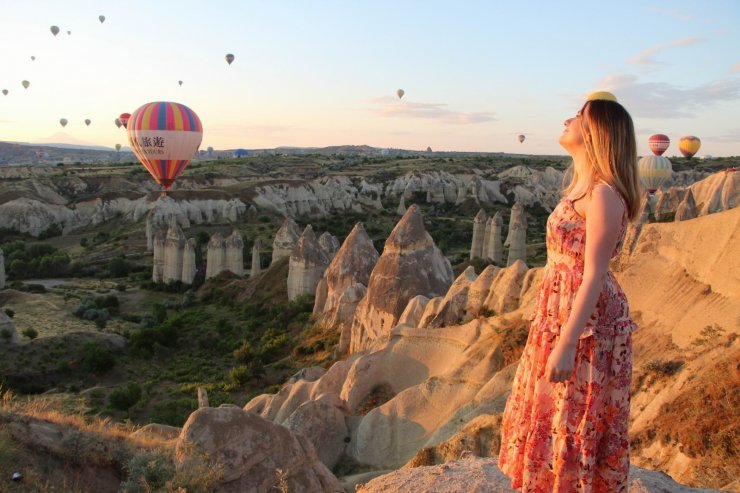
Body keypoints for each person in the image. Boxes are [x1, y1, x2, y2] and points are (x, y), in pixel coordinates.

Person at [497, 96, 642, 492]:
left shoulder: (603, 195)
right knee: (552, 410)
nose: (567, 119)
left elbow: (594, 274)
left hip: (588, 323)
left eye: (578, 117)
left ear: (596, 134)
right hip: (558, 312)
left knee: (575, 413)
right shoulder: (580, 186)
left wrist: (566, 342)